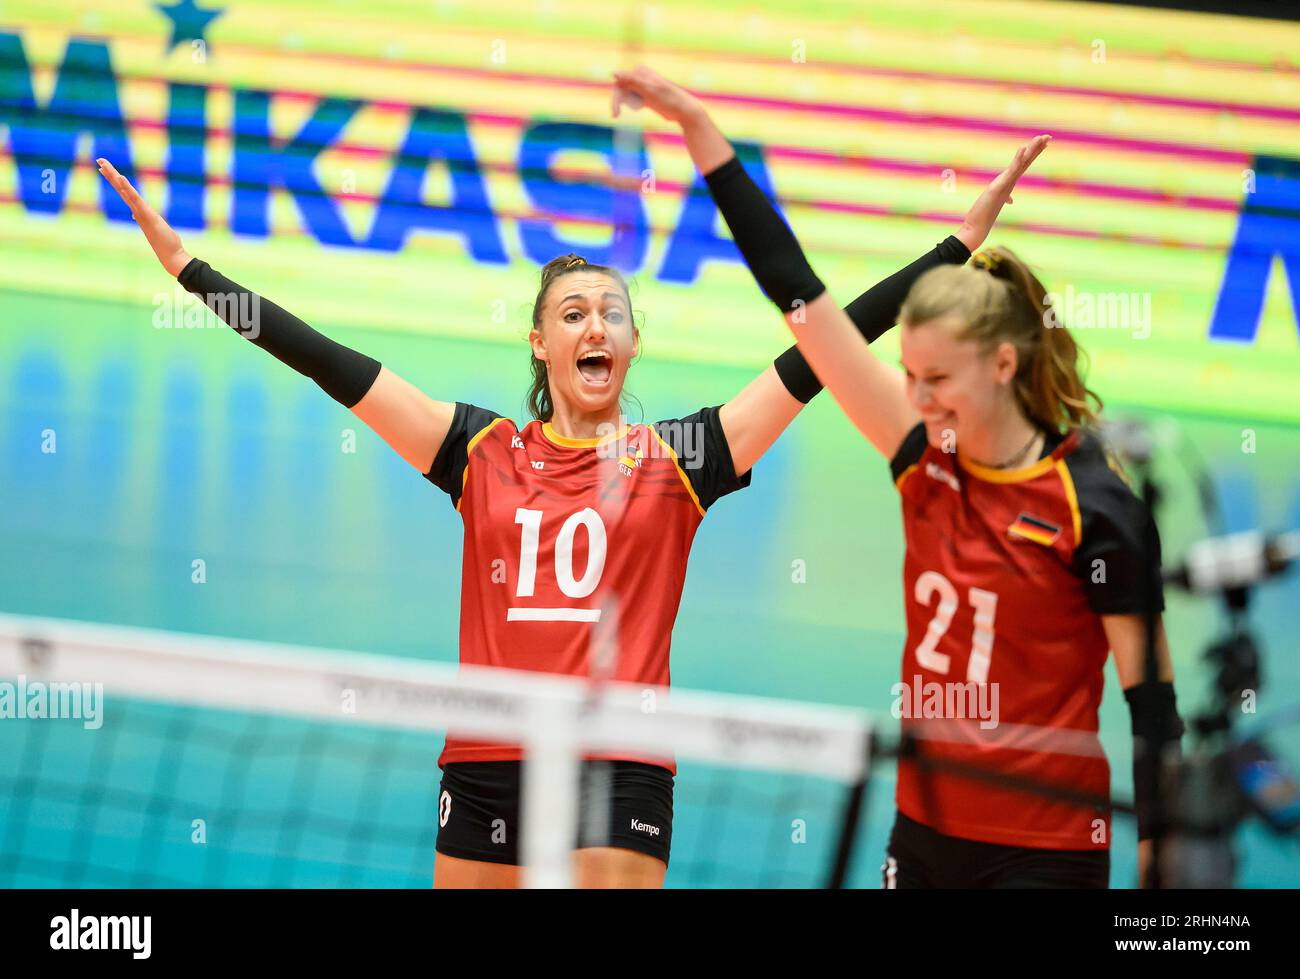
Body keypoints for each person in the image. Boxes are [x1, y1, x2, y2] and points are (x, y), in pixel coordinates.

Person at [94, 97, 1038, 886]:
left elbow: (824, 350)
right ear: (542, 345)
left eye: (613, 313)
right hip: (487, 757)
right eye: (573, 313)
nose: (596, 324)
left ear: (630, 347)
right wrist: (193, 272)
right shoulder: (476, 450)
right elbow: (321, 360)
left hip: (617, 763)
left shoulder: (682, 457)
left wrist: (955, 246)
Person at [612, 65, 1182, 888]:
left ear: (1003, 364)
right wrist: (699, 128)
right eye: (907, 375)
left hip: (1045, 851)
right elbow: (800, 298)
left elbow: (1153, 704)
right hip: (920, 835)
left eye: (937, 380)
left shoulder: (1096, 507)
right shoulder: (921, 454)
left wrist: (1159, 852)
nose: (914, 397)